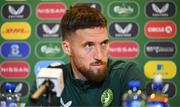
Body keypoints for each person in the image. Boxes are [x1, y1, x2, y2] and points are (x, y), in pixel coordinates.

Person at [27, 5, 145, 106]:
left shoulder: (125, 74)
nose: (99, 55)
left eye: (104, 43)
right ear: (67, 48)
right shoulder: (49, 80)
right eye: (89, 45)